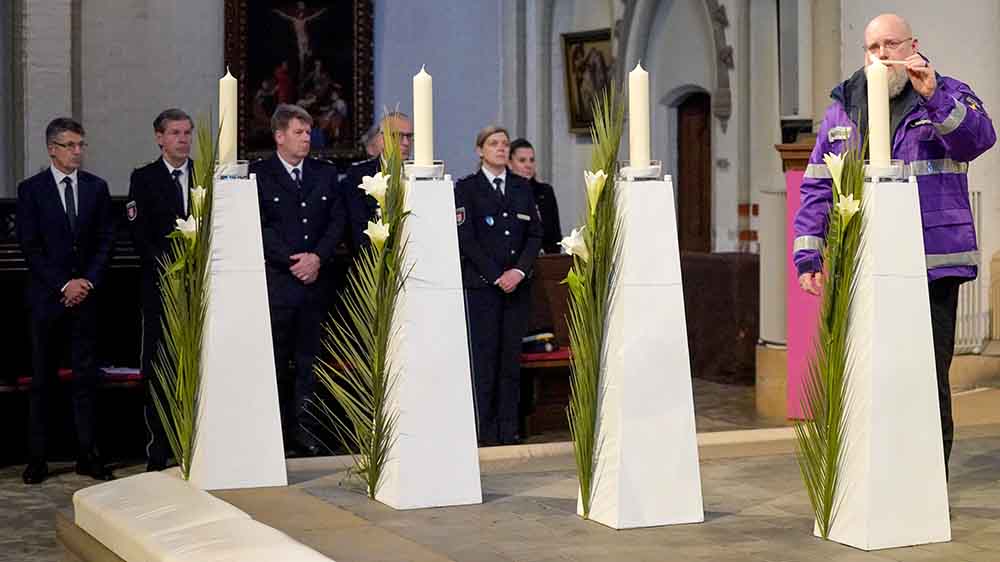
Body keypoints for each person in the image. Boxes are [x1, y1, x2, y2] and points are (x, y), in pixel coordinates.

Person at [793, 13, 996, 474]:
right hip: (864, 266)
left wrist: (934, 96)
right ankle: (873, 477)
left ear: (912, 47)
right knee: (868, 376)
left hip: (932, 267)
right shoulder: (845, 107)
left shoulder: (946, 92)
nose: (882, 55)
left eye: (891, 45)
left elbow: (978, 140)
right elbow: (818, 187)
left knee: (927, 380)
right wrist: (809, 253)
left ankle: (927, 483)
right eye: (873, 48)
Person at [16, 118, 115, 484]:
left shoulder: (96, 188)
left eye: (81, 144)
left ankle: (88, 455)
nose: (78, 151)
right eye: (70, 145)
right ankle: (38, 458)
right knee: (42, 380)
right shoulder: (32, 190)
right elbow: (30, 246)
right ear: (52, 149)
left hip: (86, 299)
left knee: (86, 380)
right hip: (47, 300)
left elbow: (106, 239)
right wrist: (63, 284)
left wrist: (86, 281)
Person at [251, 104, 346, 457]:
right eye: (298, 133)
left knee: (311, 362)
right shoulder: (259, 175)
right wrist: (291, 261)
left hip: (315, 281)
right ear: (279, 136)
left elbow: (336, 220)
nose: (306, 139)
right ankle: (273, 435)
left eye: (308, 133)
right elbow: (259, 225)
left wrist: (317, 257)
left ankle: (306, 431)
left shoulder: (323, 173)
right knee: (274, 362)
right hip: (279, 282)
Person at [455, 126, 542, 446]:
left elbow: (534, 235)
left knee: (510, 360)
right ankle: (485, 430)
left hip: (516, 287)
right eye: (494, 144)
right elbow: (466, 238)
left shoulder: (521, 187)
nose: (501, 149)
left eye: (505, 144)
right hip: (484, 287)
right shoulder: (467, 189)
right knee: (485, 360)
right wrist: (496, 275)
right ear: (480, 150)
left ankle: (509, 429)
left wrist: (518, 272)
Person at [127, 108, 197, 471]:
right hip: (161, 286)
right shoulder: (145, 178)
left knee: (196, 366)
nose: (182, 139)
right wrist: (172, 269)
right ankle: (158, 447)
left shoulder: (204, 176)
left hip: (199, 287)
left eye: (187, 132)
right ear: (159, 137)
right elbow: (141, 236)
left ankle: (193, 444)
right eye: (175, 133)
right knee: (160, 367)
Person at [339, 112, 413, 255]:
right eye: (398, 136)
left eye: (409, 136)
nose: (406, 143)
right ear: (382, 138)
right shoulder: (360, 175)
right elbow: (356, 226)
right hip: (373, 259)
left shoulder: (417, 174)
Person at [508, 138, 563, 254]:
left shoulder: (545, 192)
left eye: (531, 160)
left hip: (544, 260)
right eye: (522, 160)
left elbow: (555, 234)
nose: (528, 165)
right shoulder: (503, 193)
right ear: (509, 164)